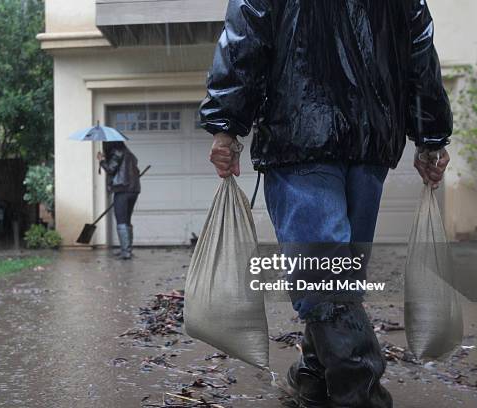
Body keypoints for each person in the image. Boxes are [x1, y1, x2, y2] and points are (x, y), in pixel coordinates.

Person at [200, 1, 452, 407]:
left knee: (329, 273)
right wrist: (431, 134)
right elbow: (418, 50)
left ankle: (359, 395)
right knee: (336, 269)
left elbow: (244, 40)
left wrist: (226, 125)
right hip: (370, 134)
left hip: (299, 127)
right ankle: (313, 378)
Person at [97, 141, 141, 260]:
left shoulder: (117, 152)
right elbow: (135, 170)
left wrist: (101, 160)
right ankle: (127, 249)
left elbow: (111, 169)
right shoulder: (129, 154)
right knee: (126, 220)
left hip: (122, 189)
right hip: (134, 190)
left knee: (121, 220)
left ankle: (125, 252)